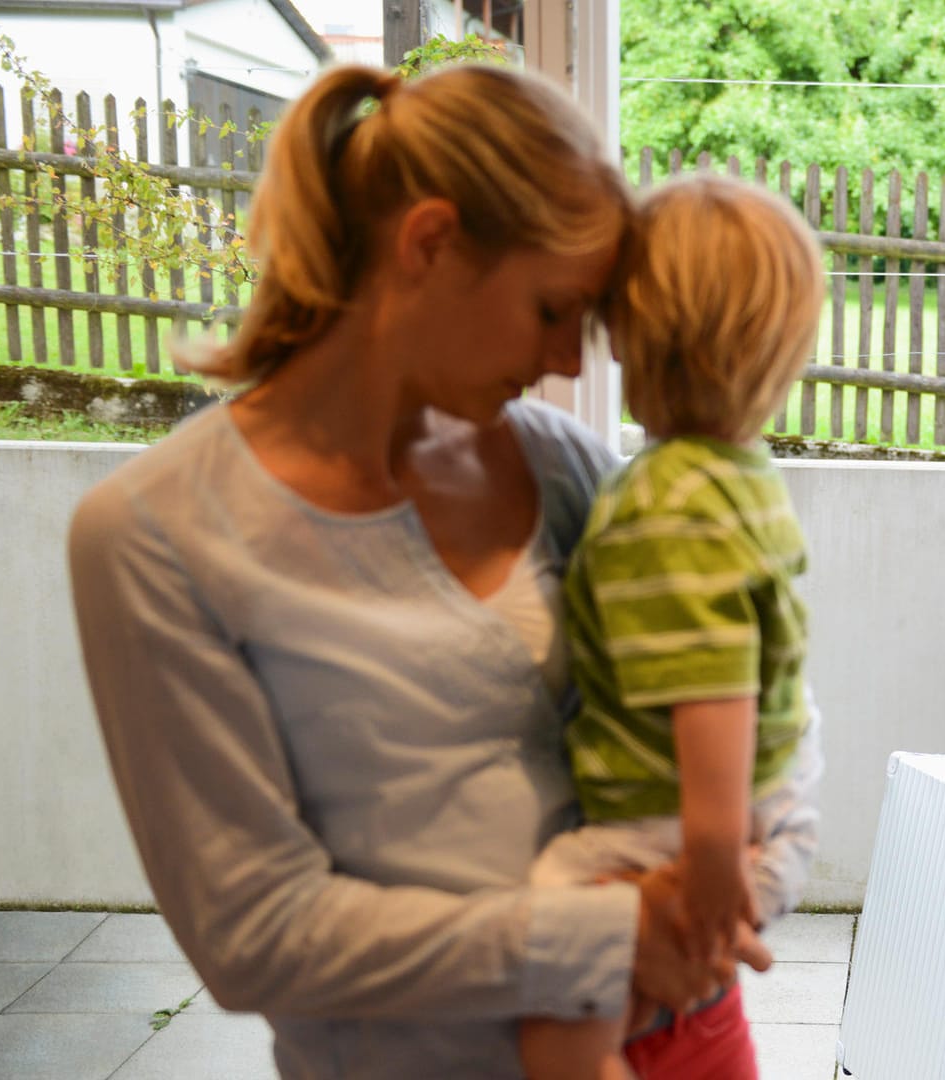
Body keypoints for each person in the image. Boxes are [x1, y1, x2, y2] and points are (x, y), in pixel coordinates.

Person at [66, 63, 810, 1079]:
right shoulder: (155, 536)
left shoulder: (568, 467)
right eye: (553, 309)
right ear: (430, 243)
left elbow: (763, 701)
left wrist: (743, 893)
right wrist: (617, 935)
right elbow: (256, 938)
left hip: (684, 1032)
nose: (571, 363)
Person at [516, 176, 826, 1079]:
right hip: (741, 814)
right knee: (644, 981)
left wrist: (712, 863)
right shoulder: (740, 472)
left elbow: (712, 692)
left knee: (544, 927)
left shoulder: (668, 498)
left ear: (629, 329)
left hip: (681, 824)